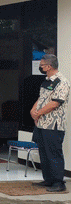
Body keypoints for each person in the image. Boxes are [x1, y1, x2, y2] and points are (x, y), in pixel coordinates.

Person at [30, 54, 70, 192]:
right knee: (44, 153)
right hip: (41, 123)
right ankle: (48, 180)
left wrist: (39, 112)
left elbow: (54, 103)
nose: (40, 67)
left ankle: (59, 183)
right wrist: (33, 110)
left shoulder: (62, 82)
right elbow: (42, 98)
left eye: (42, 65)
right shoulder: (46, 81)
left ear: (49, 66)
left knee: (53, 153)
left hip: (54, 124)